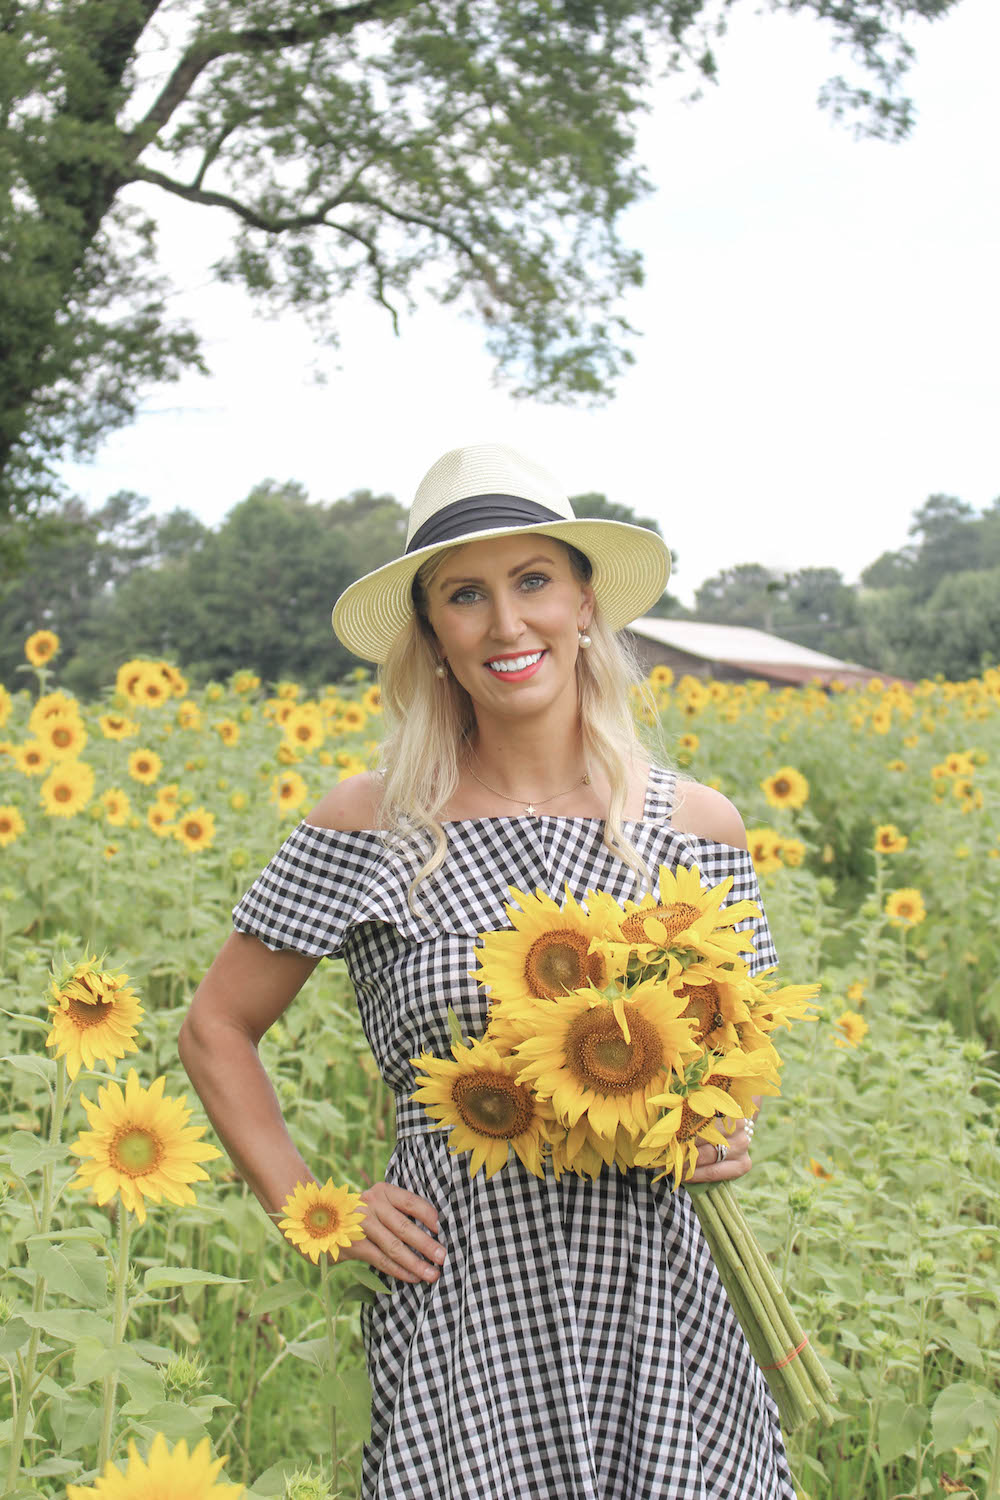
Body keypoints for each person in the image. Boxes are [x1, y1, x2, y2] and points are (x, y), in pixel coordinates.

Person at [179, 443, 795, 1499]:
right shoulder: (371, 824)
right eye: (465, 596)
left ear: (585, 604)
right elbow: (214, 1029)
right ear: (431, 635)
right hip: (461, 1297)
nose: (507, 624)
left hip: (656, 1294)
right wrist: (314, 1207)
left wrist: (722, 1128)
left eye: (532, 581)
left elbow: (739, 1053)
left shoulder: (696, 826)